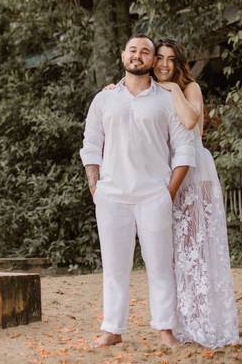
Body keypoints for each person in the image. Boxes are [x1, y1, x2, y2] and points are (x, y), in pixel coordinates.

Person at [80, 34, 198, 348]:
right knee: (114, 266)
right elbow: (91, 146)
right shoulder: (104, 99)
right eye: (132, 50)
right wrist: (96, 188)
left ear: (152, 60)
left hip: (153, 194)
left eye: (145, 52)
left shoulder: (166, 99)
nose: (138, 56)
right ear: (123, 56)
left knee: (160, 264)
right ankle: (112, 329)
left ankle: (164, 329)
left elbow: (184, 149)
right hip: (111, 195)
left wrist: (167, 193)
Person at [151, 38, 242, 348]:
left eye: (170, 59)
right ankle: (179, 320)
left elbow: (191, 122)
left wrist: (173, 88)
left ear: (179, 64)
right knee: (174, 250)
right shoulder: (151, 90)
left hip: (195, 171)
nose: (164, 64)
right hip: (167, 171)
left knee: (196, 246)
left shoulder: (189, 89)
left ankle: (204, 319)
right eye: (159, 58)